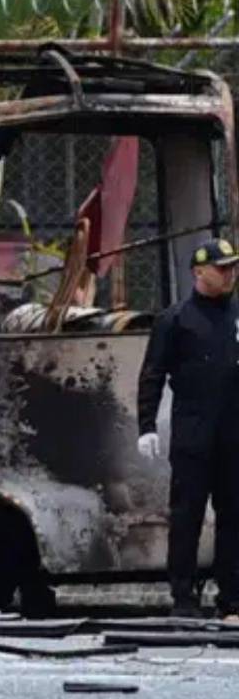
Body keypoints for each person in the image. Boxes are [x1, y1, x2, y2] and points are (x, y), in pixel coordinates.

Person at [137, 238, 239, 620]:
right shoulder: (175, 319)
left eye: (233, 266)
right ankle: (183, 595)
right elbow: (152, 375)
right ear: (200, 272)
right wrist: (146, 425)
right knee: (187, 517)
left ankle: (232, 597)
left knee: (234, 517)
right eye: (222, 267)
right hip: (194, 434)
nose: (230, 274)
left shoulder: (236, 314)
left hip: (234, 434)